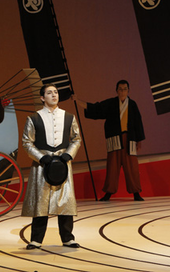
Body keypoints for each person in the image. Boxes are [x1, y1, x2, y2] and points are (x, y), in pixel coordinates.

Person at [22, 84, 81, 250]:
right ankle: (36, 239)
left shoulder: (69, 116)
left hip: (63, 163)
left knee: (66, 200)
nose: (54, 95)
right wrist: (42, 157)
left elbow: (76, 139)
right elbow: (27, 142)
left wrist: (68, 154)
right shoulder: (33, 118)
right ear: (42, 98)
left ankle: (68, 238)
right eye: (49, 93)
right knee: (41, 201)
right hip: (42, 165)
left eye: (55, 92)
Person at [73, 80, 145, 201]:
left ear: (128, 91)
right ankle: (108, 193)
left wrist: (139, 140)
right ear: (116, 90)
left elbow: (138, 122)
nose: (122, 91)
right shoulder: (111, 103)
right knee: (112, 167)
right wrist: (77, 100)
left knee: (132, 167)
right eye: (120, 89)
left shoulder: (132, 104)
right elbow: (96, 108)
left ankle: (136, 193)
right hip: (115, 138)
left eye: (125, 89)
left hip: (130, 139)